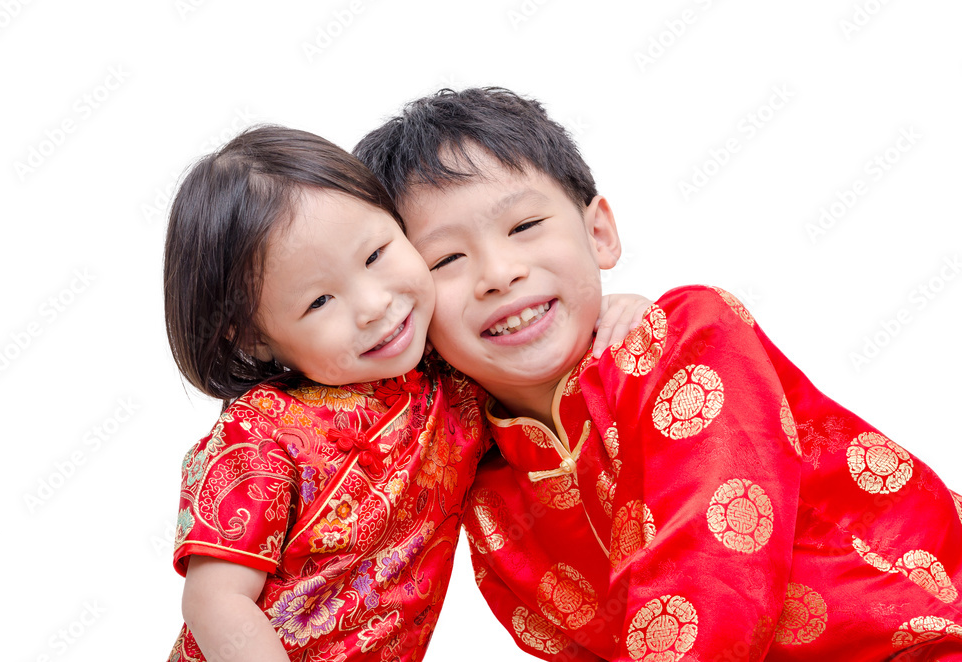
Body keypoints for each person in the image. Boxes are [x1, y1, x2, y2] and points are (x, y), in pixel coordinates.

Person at [354, 87, 962, 661]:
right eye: (447, 260)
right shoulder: (482, 492)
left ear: (599, 233)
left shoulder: (688, 338)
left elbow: (709, 563)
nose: (498, 272)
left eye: (524, 227)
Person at [162, 125, 649, 661]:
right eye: (319, 302)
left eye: (375, 255)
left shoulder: (451, 380)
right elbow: (215, 603)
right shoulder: (261, 432)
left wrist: (614, 307)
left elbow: (534, 347)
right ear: (256, 338)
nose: (373, 305)